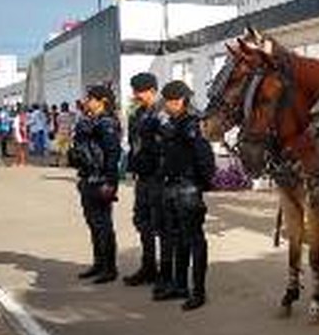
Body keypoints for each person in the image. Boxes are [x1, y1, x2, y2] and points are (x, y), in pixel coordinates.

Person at [152, 80, 216, 310]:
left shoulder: (192, 125)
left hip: (187, 189)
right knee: (178, 239)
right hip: (172, 188)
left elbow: (204, 157)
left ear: (178, 101)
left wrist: (203, 183)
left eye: (167, 102)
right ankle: (180, 287)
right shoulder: (176, 123)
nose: (164, 106)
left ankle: (198, 292)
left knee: (195, 241)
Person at [69, 84, 123, 284]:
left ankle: (109, 268)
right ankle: (98, 263)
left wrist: (110, 182)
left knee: (103, 225)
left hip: (101, 180)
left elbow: (112, 154)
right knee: (93, 223)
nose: (86, 101)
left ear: (102, 101)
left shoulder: (107, 123)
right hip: (88, 177)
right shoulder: (90, 121)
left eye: (90, 98)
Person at [123, 72, 164, 288]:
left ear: (151, 90)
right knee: (143, 221)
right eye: (134, 91)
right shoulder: (137, 113)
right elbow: (134, 142)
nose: (135, 95)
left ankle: (167, 273)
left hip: (160, 177)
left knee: (163, 225)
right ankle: (148, 267)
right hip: (144, 177)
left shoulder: (164, 112)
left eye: (139, 91)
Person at [54, 102, 76, 167]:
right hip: (68, 133)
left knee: (58, 149)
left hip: (60, 132)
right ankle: (66, 162)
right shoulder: (70, 116)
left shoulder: (59, 116)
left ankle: (57, 162)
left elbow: (57, 124)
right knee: (66, 150)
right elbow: (72, 123)